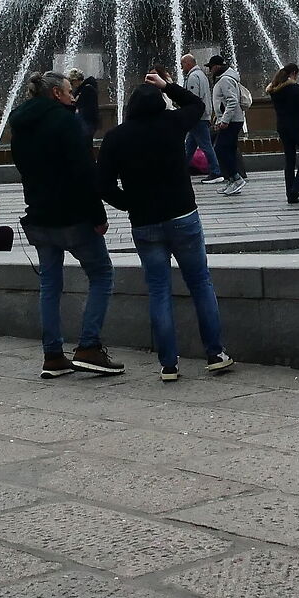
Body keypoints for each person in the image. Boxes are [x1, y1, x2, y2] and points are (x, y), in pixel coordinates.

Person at [99, 72, 234, 381]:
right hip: (183, 215)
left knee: (159, 290)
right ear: (160, 102)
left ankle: (169, 364)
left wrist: (130, 204)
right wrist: (167, 86)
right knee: (200, 283)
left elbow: (103, 185)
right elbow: (198, 105)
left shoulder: (116, 137)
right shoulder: (172, 123)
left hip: (145, 223)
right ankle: (215, 354)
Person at [6, 73, 123, 376]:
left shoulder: (20, 125)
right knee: (101, 274)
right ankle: (88, 346)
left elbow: (22, 166)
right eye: (71, 92)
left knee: (49, 284)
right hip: (72, 216)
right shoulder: (65, 122)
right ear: (57, 93)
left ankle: (53, 355)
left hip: (39, 217)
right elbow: (83, 171)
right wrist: (97, 215)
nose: (75, 97)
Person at [267, 63, 299, 204]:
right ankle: (298, 187)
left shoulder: (275, 90)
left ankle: (290, 194)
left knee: (290, 160)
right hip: (298, 127)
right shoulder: (294, 89)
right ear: (294, 73)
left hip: (283, 128)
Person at [206, 55, 249, 196]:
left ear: (217, 66)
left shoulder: (225, 80)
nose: (210, 70)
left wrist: (224, 120)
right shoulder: (225, 78)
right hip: (232, 120)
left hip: (232, 121)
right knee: (228, 149)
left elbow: (232, 101)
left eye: (211, 67)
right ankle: (232, 180)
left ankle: (236, 178)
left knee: (220, 149)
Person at [179, 52, 216, 181]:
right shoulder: (202, 75)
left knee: (206, 146)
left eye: (182, 64)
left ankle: (216, 172)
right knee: (189, 147)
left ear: (188, 63)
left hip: (197, 118)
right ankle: (180, 171)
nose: (181, 67)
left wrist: (188, 113)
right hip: (201, 116)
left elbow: (192, 98)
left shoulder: (194, 77)